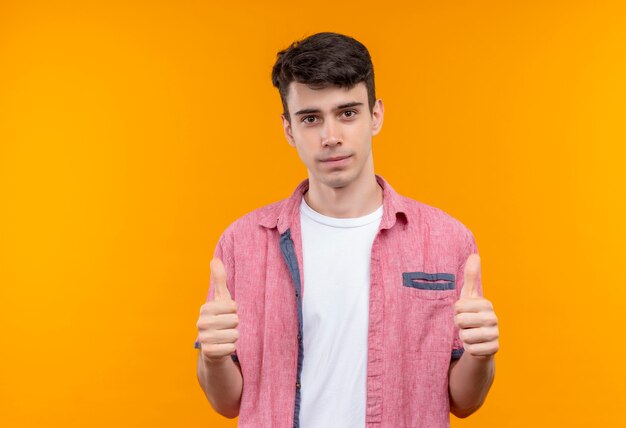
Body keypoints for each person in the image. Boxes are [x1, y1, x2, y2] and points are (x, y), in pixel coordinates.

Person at [194, 32, 499, 428]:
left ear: (376, 115)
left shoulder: (447, 240)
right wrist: (212, 357)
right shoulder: (243, 242)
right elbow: (227, 403)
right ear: (288, 129)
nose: (331, 136)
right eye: (310, 118)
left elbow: (464, 402)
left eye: (348, 113)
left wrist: (480, 355)